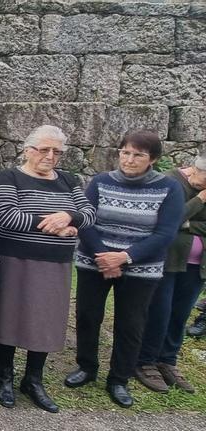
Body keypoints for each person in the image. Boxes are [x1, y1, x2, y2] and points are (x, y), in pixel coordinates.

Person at [67, 130, 184, 408]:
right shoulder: (100, 182)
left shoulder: (169, 188)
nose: (130, 160)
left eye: (138, 155)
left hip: (140, 267)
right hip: (95, 261)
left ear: (152, 159)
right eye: (125, 153)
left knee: (130, 323)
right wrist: (104, 258)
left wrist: (125, 258)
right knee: (87, 316)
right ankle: (87, 366)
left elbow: (165, 233)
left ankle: (118, 378)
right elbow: (87, 220)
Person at [0, 125, 96, 413]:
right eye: (44, 149)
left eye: (57, 152)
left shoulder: (69, 180)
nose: (50, 156)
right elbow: (6, 215)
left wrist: (68, 216)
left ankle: (33, 379)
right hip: (15, 258)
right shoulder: (10, 177)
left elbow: (89, 214)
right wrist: (54, 227)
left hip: (55, 262)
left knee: (47, 318)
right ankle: (5, 376)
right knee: (9, 316)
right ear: (28, 150)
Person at [134, 153, 206, 394]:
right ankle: (145, 362)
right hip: (167, 260)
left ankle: (167, 361)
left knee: (180, 314)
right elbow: (165, 220)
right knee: (159, 312)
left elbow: (181, 221)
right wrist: (200, 200)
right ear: (195, 169)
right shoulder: (170, 181)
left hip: (198, 264)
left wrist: (187, 223)